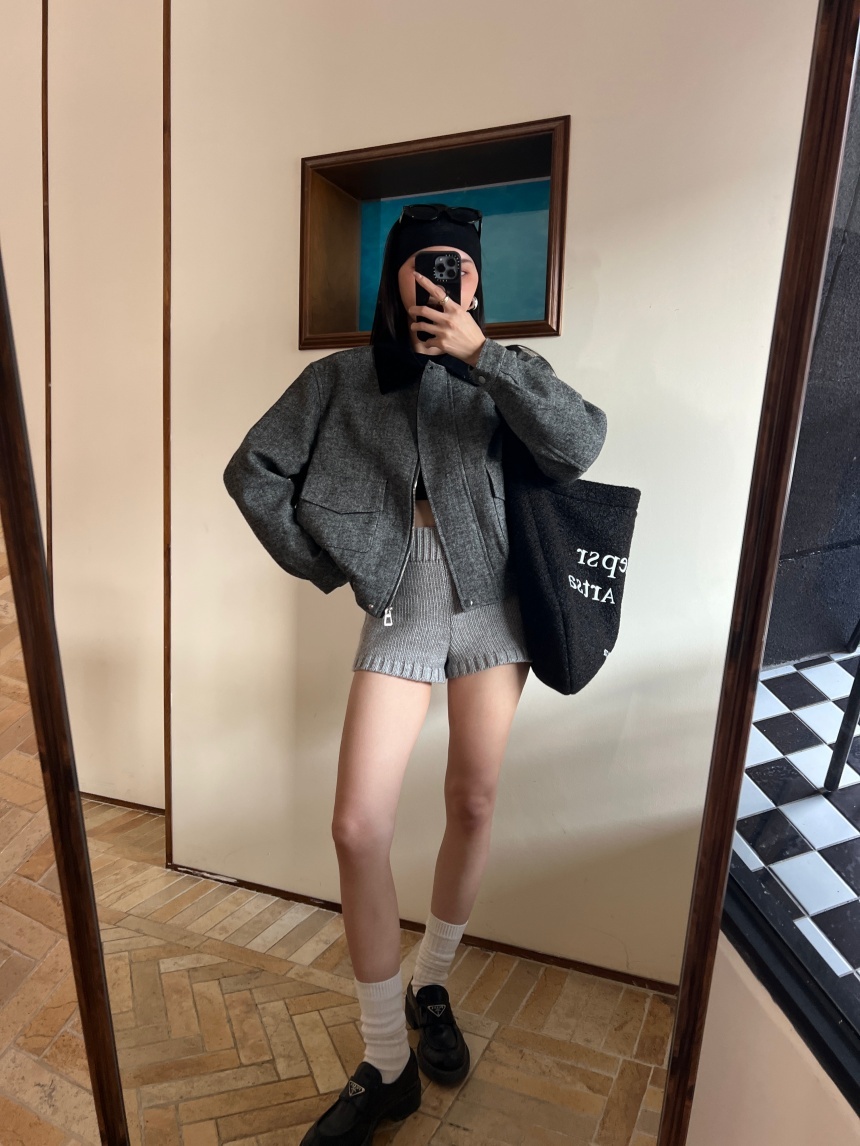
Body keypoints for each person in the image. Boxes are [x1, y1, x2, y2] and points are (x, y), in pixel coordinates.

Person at [223, 203, 608, 1144]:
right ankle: (386, 1057)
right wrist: (339, 559)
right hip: (402, 603)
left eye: (459, 265)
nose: (443, 278)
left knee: (473, 802)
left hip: (495, 607)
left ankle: (432, 981)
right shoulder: (340, 379)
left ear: (477, 281)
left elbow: (580, 444)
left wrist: (486, 357)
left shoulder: (504, 371)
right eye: (425, 262)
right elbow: (253, 471)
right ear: (394, 275)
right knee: (357, 826)